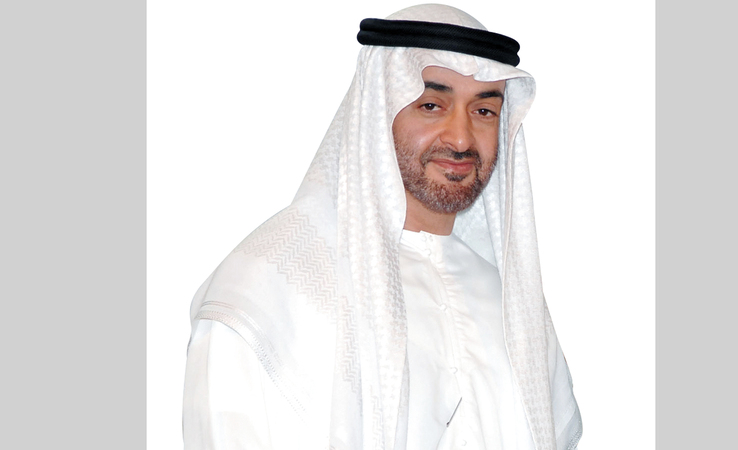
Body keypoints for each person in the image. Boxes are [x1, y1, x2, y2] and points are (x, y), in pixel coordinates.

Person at [183, 4, 582, 450]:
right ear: (378, 110)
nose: (461, 137)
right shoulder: (266, 291)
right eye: (431, 105)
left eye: (484, 110)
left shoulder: (512, 305)